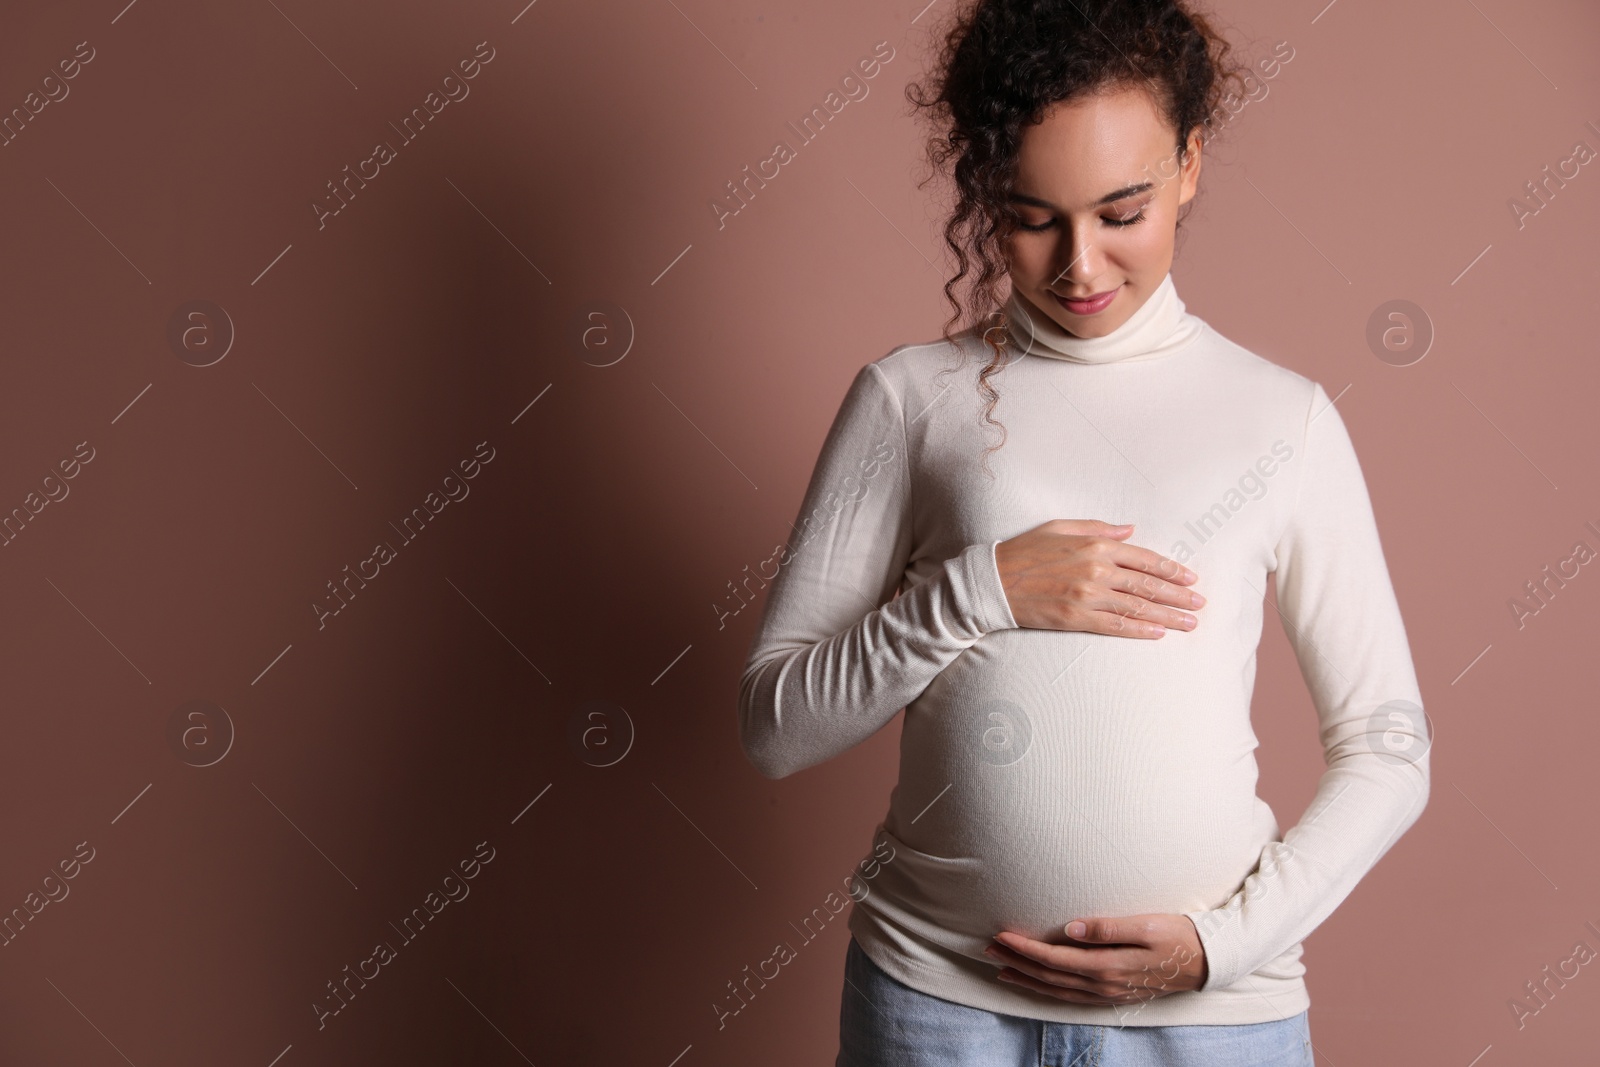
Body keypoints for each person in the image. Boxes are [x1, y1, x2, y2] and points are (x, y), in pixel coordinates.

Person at [736, 1, 1431, 1063]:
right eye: (1029, 216)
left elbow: (1387, 746)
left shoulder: (1281, 420)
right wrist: (981, 590)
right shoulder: (909, 398)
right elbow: (776, 726)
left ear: (1189, 164)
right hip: (938, 1009)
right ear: (982, 192)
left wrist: (1217, 946)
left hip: (1210, 1023)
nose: (1079, 265)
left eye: (1122, 211)